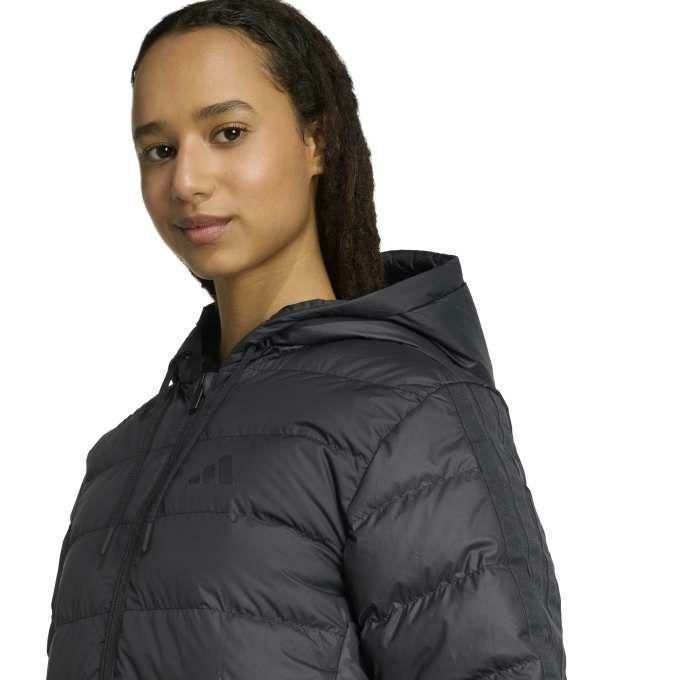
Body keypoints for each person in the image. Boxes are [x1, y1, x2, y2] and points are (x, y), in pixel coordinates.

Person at [45, 1, 567, 678]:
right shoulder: (119, 460)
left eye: (228, 132)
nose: (186, 182)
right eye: (159, 150)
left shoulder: (409, 413)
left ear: (315, 141)